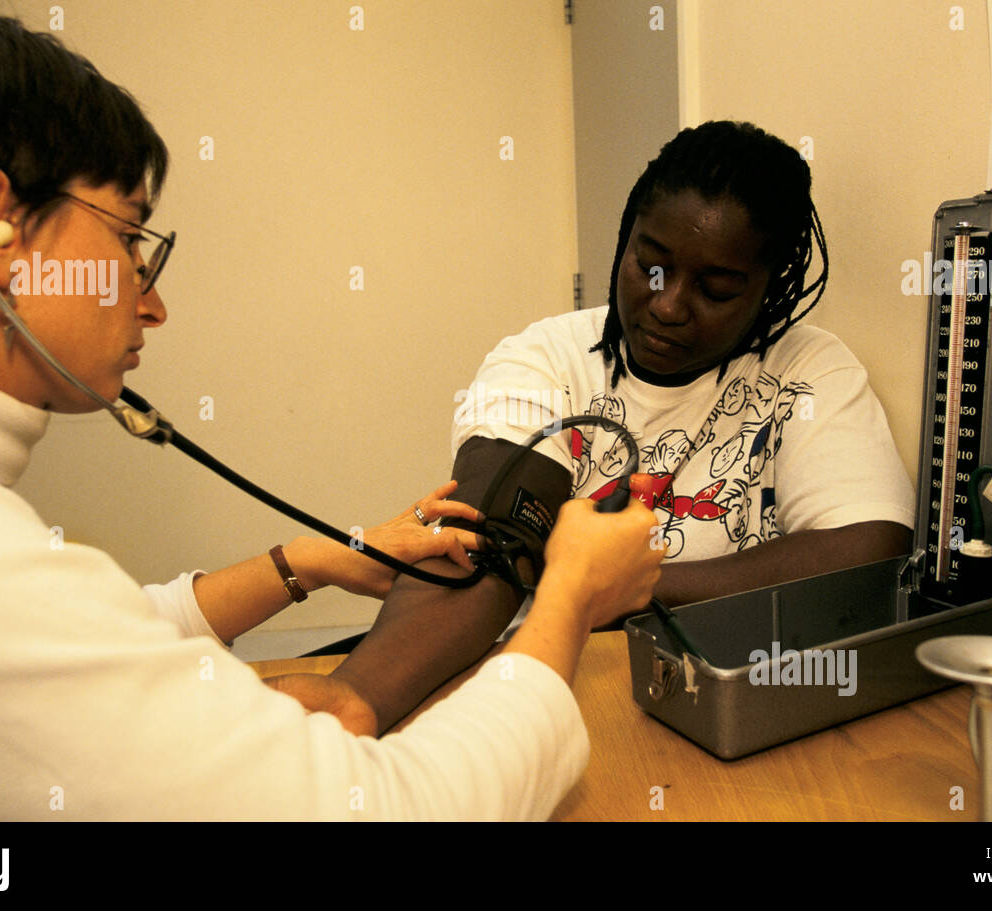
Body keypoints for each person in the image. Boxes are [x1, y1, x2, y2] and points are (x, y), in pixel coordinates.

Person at [0, 0, 664, 820]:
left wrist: (309, 562)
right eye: (130, 237)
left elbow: (91, 634)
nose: (152, 302)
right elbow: (390, 811)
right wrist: (568, 595)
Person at [329, 121, 917, 734]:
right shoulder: (545, 357)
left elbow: (867, 552)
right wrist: (353, 706)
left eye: (716, 289)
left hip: (712, 705)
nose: (668, 304)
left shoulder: (807, 370)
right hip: (534, 680)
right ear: (625, 239)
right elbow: (490, 544)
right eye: (650, 266)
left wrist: (628, 582)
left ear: (773, 290)